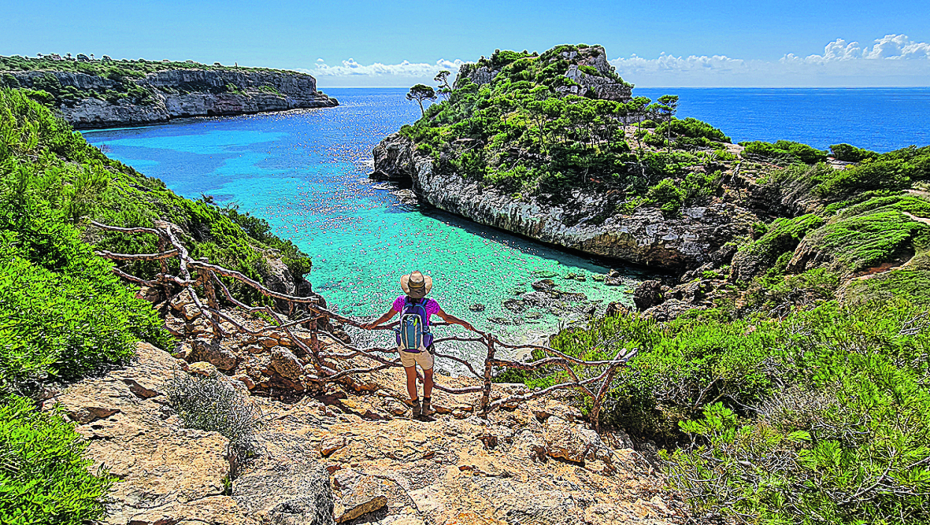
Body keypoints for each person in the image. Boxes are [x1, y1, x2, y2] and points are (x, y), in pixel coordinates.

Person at [361, 270, 476, 419]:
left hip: (405, 347)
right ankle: (426, 408)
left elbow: (387, 316)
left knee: (410, 377)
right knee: (428, 374)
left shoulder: (401, 301)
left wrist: (373, 323)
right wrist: (463, 322)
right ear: (423, 289)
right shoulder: (430, 304)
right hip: (423, 347)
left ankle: (415, 408)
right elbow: (446, 317)